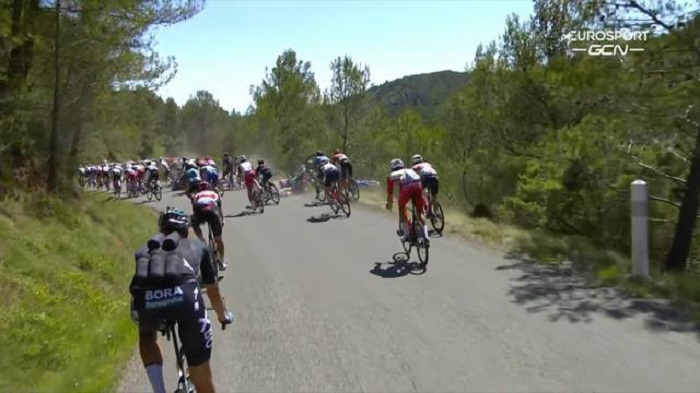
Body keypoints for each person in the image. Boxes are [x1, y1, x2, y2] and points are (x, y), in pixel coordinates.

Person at [129, 208, 233, 393]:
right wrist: (223, 316)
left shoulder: (148, 249)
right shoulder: (198, 246)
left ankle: (159, 390)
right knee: (203, 380)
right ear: (186, 229)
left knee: (146, 337)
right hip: (185, 296)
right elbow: (213, 291)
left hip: (148, 301)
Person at [385, 158, 429, 244]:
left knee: (401, 207)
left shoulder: (391, 175)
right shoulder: (410, 170)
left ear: (392, 168)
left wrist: (389, 204)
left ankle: (407, 234)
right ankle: (426, 237)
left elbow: (390, 194)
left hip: (407, 188)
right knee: (420, 214)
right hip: (418, 185)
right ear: (403, 166)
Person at [191, 181, 228, 271]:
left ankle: (202, 240)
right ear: (209, 187)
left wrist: (197, 220)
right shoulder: (214, 193)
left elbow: (195, 207)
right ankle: (222, 262)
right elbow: (219, 209)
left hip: (200, 211)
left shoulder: (197, 195)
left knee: (194, 225)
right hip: (212, 212)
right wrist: (222, 220)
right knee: (218, 238)